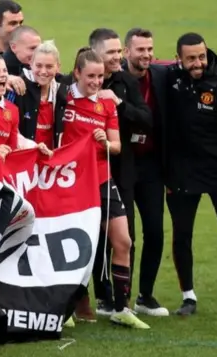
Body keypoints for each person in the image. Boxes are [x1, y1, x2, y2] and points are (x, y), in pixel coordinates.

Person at [63, 49, 149, 329]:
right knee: (76, 246)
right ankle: (70, 304)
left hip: (102, 179)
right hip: (72, 183)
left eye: (100, 76)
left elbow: (117, 146)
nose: (97, 82)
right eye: (91, 76)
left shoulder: (107, 105)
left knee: (123, 241)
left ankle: (121, 308)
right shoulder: (63, 98)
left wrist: (104, 142)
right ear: (76, 74)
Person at [86, 28, 153, 319]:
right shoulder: (79, 82)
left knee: (125, 237)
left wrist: (120, 104)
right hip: (87, 174)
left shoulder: (126, 82)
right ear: (95, 53)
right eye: (110, 52)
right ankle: (101, 297)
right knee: (95, 239)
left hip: (121, 172)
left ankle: (122, 301)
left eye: (118, 52)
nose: (116, 58)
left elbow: (146, 119)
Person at [165, 32, 217, 315]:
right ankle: (188, 297)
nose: (197, 63)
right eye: (191, 58)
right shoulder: (170, 76)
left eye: (201, 56)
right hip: (183, 170)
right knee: (182, 234)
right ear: (179, 58)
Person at [122, 28, 170, 317]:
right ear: (127, 52)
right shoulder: (116, 81)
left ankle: (146, 296)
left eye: (150, 49)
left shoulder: (162, 76)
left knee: (154, 231)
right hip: (125, 165)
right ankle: (122, 299)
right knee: (126, 236)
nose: (146, 55)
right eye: (140, 50)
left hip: (152, 165)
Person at [13, 40, 67, 150]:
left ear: (58, 67)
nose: (43, 71)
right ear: (31, 64)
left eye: (49, 66)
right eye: (38, 65)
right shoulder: (17, 87)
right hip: (24, 158)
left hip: (50, 161)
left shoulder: (63, 91)